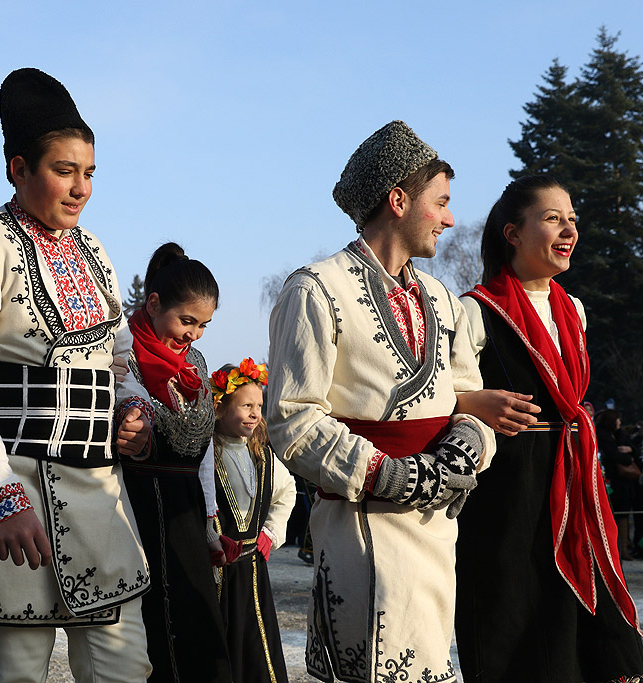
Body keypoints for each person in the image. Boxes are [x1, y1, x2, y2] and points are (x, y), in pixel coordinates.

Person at [0, 68, 154, 683]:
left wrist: (134, 414)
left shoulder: (94, 255)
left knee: (126, 669)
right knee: (13, 674)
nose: (80, 188)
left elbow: (118, 358)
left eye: (89, 172)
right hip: (16, 497)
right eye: (64, 170)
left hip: (97, 498)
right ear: (18, 168)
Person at [266, 120, 496, 683]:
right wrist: (388, 474)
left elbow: (468, 400)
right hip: (359, 528)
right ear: (398, 200)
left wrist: (460, 456)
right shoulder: (315, 289)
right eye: (440, 202)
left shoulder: (444, 300)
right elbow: (292, 418)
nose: (448, 218)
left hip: (437, 526)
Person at [454, 175, 643, 682]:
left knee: (578, 612)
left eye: (572, 219)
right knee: (514, 611)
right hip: (507, 487)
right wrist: (472, 400)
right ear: (512, 234)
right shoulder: (475, 310)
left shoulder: (573, 309)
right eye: (553, 218)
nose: (569, 229)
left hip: (573, 478)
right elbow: (437, 396)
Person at [123, 242, 233, 683]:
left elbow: (202, 451)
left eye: (204, 324)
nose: (195, 334)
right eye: (187, 321)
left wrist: (209, 522)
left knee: (198, 630)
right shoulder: (122, 351)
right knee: (152, 635)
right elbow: (122, 404)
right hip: (140, 507)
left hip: (186, 509)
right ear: (153, 304)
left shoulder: (196, 362)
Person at [210, 358, 296, 683]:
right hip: (217, 569)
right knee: (220, 643)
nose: (255, 413)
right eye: (246, 405)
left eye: (258, 405)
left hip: (253, 568)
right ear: (220, 408)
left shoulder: (262, 454)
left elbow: (287, 491)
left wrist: (270, 531)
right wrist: (210, 536)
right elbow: (199, 502)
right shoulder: (206, 452)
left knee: (255, 645)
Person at [596, 409, 641, 561]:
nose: (619, 423)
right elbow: (612, 454)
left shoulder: (620, 434)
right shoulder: (602, 435)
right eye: (617, 420)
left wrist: (630, 450)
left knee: (624, 515)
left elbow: (633, 448)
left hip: (624, 482)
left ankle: (623, 548)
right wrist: (629, 459)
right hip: (611, 480)